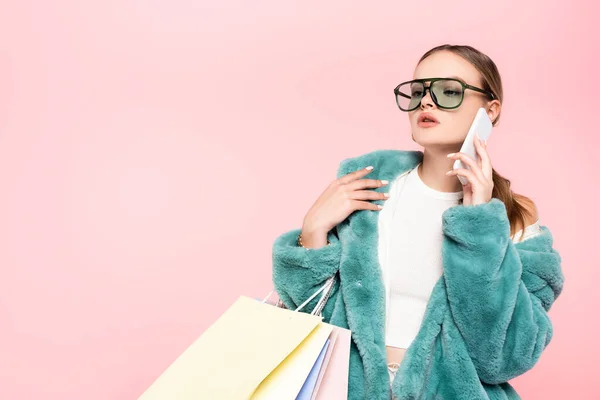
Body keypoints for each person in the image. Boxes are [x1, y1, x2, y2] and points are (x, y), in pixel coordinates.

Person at [271, 44, 564, 400]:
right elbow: (308, 317)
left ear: (491, 110)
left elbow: (502, 357)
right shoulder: (366, 189)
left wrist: (477, 224)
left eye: (449, 91)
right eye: (418, 91)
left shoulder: (512, 216)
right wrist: (313, 231)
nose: (427, 102)